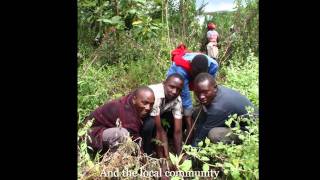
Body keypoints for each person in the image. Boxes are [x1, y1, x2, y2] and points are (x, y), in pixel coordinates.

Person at [167, 45, 219, 143]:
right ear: (191, 68)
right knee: (175, 99)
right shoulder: (180, 70)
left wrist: (203, 101)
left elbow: (210, 86)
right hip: (180, 72)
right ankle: (173, 126)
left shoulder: (213, 66)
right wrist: (189, 125)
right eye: (195, 75)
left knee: (204, 102)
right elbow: (186, 99)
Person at [85, 86, 155, 157]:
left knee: (150, 122)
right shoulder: (127, 112)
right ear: (134, 99)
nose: (148, 108)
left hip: (106, 131)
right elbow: (135, 144)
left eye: (151, 104)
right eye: (144, 103)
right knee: (122, 134)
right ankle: (109, 161)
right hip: (91, 135)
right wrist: (145, 160)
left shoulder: (132, 100)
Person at [191, 73, 255, 146]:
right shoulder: (216, 90)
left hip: (250, 130)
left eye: (205, 92)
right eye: (197, 92)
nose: (201, 96)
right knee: (197, 112)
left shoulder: (218, 107)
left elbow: (201, 136)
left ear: (215, 88)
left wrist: (191, 151)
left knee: (214, 134)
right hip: (236, 119)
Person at [141, 73, 184, 158]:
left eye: (178, 89)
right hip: (140, 117)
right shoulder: (155, 95)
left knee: (177, 120)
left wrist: (179, 156)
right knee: (150, 124)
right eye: (171, 87)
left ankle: (168, 146)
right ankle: (147, 152)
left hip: (157, 114)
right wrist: (165, 158)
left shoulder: (177, 100)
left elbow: (178, 131)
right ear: (164, 83)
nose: (174, 91)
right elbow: (159, 130)